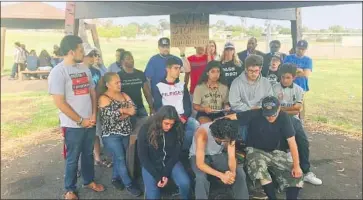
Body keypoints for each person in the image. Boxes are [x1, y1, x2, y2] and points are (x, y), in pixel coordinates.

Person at [48, 35, 104, 200]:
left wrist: (93, 114)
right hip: (72, 125)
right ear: (72, 52)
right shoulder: (59, 72)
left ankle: (88, 181)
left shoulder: (84, 68)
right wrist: (80, 120)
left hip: (90, 121)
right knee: (73, 157)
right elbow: (60, 102)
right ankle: (69, 189)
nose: (83, 53)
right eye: (80, 50)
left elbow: (92, 92)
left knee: (87, 154)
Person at [225, 96, 304, 200]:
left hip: (275, 151)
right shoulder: (254, 113)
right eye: (267, 115)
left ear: (279, 108)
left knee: (295, 173)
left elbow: (292, 143)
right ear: (262, 109)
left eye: (273, 114)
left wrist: (296, 165)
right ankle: (272, 197)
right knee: (259, 168)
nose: (270, 117)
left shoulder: (284, 117)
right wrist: (213, 124)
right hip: (255, 150)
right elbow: (232, 117)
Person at [272, 63, 322, 185]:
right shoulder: (273, 88)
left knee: (303, 141)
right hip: (276, 119)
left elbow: (298, 109)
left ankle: (306, 171)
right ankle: (279, 174)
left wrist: (281, 108)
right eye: (282, 77)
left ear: (294, 77)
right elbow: (273, 109)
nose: (284, 80)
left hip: (293, 120)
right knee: (279, 142)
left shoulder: (299, 90)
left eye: (288, 77)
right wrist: (287, 108)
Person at [97, 72, 142, 197]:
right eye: (116, 82)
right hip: (111, 135)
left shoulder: (123, 94)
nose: (119, 84)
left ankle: (115, 178)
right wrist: (124, 111)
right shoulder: (103, 98)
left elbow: (134, 110)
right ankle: (129, 184)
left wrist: (122, 111)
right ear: (108, 84)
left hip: (126, 133)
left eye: (120, 81)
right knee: (121, 158)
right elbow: (110, 118)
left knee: (119, 157)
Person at [137, 105, 191, 199]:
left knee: (185, 183)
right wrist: (157, 176)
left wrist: (165, 173)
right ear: (159, 120)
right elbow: (143, 157)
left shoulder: (177, 128)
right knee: (153, 196)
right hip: (150, 163)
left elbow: (176, 154)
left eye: (171, 124)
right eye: (166, 123)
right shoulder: (145, 129)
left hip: (170, 161)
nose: (169, 127)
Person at [189, 118, 249, 199]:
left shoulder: (231, 133)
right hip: (197, 156)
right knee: (201, 178)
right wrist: (222, 176)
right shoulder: (202, 133)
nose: (225, 143)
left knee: (239, 172)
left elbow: (231, 156)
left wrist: (233, 173)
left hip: (218, 154)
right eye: (222, 141)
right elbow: (200, 164)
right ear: (214, 135)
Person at [153, 57, 199, 152]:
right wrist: (169, 119)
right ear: (168, 69)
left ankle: (187, 152)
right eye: (175, 68)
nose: (178, 71)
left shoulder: (182, 86)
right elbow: (158, 107)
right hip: (167, 118)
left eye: (179, 68)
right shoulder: (159, 86)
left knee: (195, 125)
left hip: (182, 118)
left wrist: (184, 118)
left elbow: (187, 106)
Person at [229, 54, 272, 141]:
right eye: (250, 71)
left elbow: (269, 100)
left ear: (260, 69)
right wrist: (250, 108)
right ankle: (243, 146)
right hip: (243, 112)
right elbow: (234, 103)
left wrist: (260, 108)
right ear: (245, 69)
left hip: (261, 112)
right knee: (243, 123)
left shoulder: (266, 82)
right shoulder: (237, 82)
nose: (253, 73)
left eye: (256, 71)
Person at [117, 51, 154, 121]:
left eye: (132, 58)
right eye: (128, 58)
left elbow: (147, 92)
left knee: (145, 127)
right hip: (126, 109)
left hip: (140, 107)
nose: (131, 60)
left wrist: (151, 107)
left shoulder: (140, 74)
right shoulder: (119, 75)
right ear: (122, 61)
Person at [283, 40, 313, 122]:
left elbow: (306, 74)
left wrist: (293, 71)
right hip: (288, 85)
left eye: (303, 49)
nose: (300, 50)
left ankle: (301, 121)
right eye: (299, 48)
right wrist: (299, 70)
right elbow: (284, 71)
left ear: (306, 49)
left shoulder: (308, 60)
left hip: (301, 85)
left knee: (299, 104)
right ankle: (287, 119)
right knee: (288, 102)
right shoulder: (289, 57)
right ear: (295, 48)